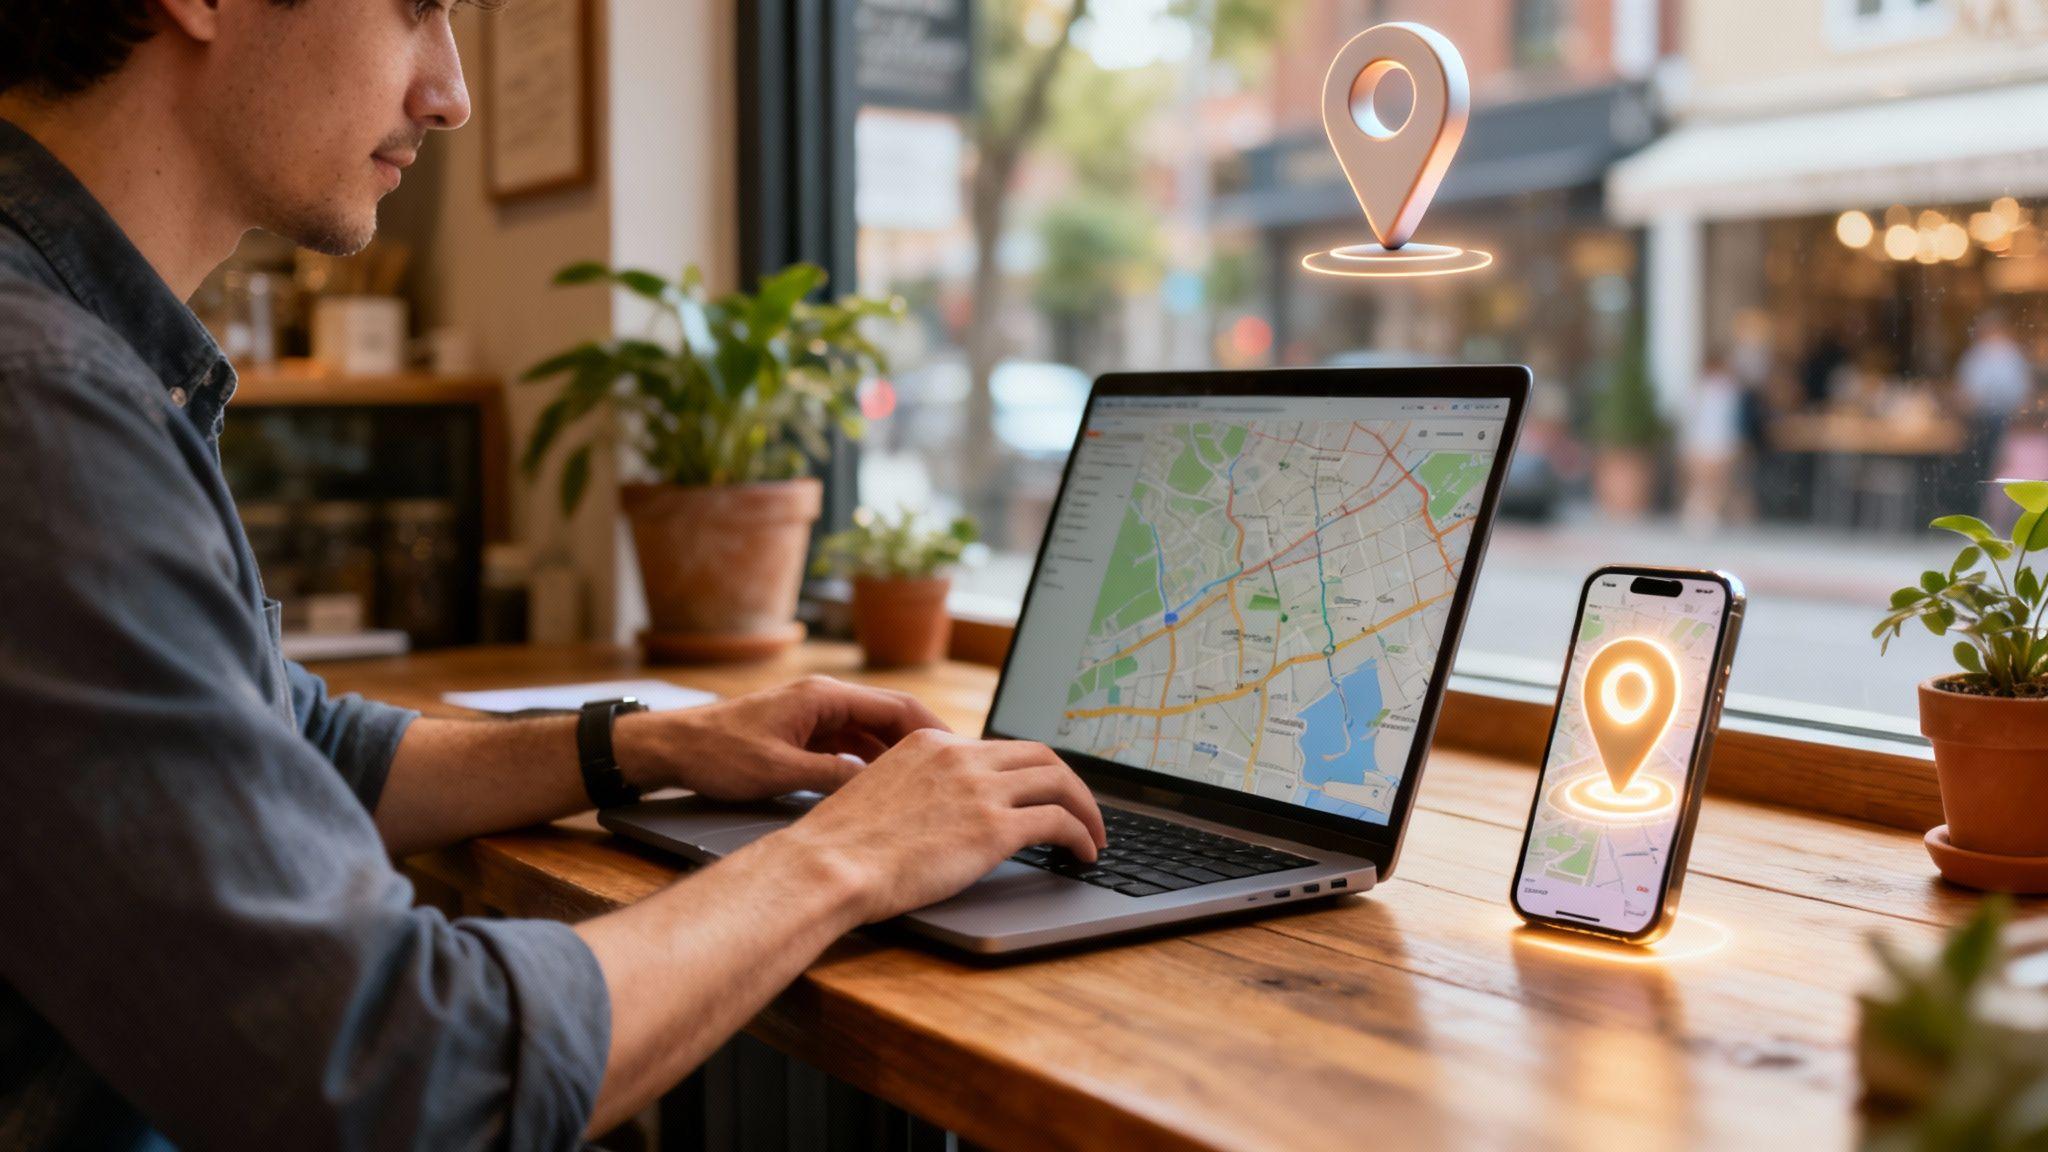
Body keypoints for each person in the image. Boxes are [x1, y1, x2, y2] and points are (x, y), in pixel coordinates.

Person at [0, 2, 1105, 1148]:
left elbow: (288, 740)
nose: (451, 92)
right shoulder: (43, 401)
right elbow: (396, 1073)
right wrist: (843, 857)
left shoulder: (86, 361)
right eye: (416, 9)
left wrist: (644, 744)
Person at [1956, 309, 2034, 486]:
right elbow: (2023, 395)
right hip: (2001, 422)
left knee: (1987, 470)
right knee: (1996, 469)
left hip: (1989, 423)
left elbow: (1969, 396)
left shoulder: (1981, 356)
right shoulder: (2012, 355)